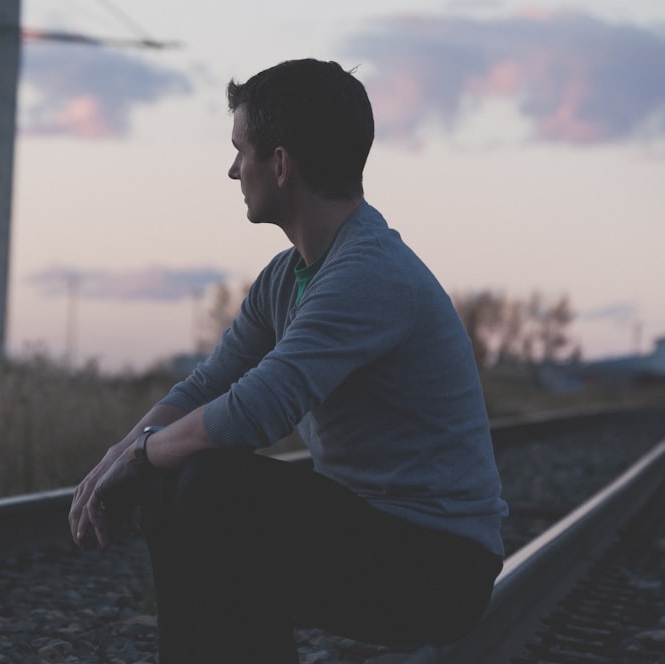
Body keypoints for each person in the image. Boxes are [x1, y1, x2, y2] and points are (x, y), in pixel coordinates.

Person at [68, 58, 508, 664]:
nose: (231, 170)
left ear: (280, 163)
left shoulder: (369, 275)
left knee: (211, 483)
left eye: (240, 150)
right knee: (178, 474)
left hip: (439, 568)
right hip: (373, 537)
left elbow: (255, 410)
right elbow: (208, 385)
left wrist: (142, 455)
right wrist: (122, 455)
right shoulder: (287, 277)